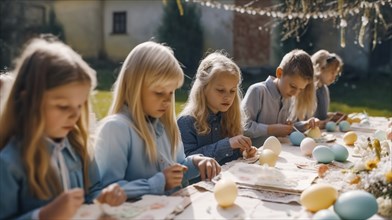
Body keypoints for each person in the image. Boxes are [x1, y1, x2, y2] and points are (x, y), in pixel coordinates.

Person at [0, 36, 126, 220]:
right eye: (62, 106)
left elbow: (92, 192)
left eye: (80, 105)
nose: (74, 116)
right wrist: (43, 216)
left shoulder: (79, 147)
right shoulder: (9, 162)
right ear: (28, 101)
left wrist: (104, 199)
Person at [94, 41, 221, 200]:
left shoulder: (166, 125)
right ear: (135, 87)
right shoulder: (116, 129)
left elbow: (177, 166)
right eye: (159, 93)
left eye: (171, 93)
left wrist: (196, 162)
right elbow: (107, 192)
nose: (167, 101)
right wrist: (159, 182)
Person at [177, 52, 256, 165]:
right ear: (203, 88)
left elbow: (230, 159)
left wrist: (243, 152)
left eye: (232, 91)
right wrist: (227, 145)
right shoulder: (186, 122)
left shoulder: (230, 118)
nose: (228, 97)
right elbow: (186, 163)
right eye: (220, 90)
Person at [241, 49, 318, 147]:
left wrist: (304, 125)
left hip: (277, 154)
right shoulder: (258, 91)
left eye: (301, 89)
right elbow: (242, 127)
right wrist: (270, 129)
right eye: (293, 86)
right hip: (252, 156)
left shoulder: (287, 97)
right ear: (279, 73)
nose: (295, 93)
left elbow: (283, 128)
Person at [312, 49, 345, 128]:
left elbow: (320, 115)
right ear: (320, 68)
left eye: (336, 74)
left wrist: (332, 116)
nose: (334, 77)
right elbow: (307, 121)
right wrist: (327, 122)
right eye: (332, 73)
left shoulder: (323, 89)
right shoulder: (309, 90)